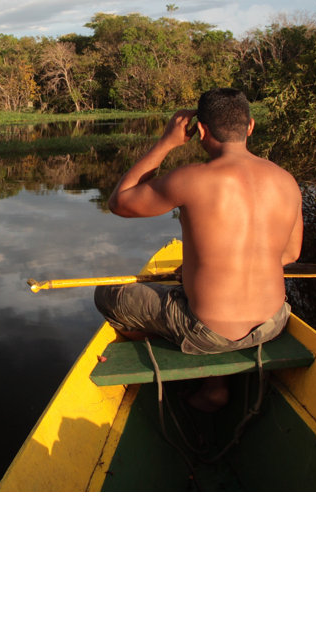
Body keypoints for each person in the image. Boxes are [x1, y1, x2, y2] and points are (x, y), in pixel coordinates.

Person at [95, 87, 303, 412]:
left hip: (207, 333)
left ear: (201, 131)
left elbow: (120, 203)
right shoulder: (286, 181)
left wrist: (166, 142)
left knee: (108, 297)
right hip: (271, 325)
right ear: (250, 127)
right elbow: (290, 255)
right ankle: (217, 380)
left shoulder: (192, 179)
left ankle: (198, 373)